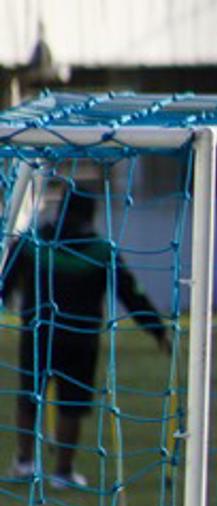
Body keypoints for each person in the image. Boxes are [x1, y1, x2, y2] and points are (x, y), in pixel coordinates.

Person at [6, 188, 171, 488]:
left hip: (38, 332)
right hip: (80, 339)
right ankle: (62, 472)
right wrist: (156, 329)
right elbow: (131, 294)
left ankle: (24, 462)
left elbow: (5, 284)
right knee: (72, 403)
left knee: (30, 395)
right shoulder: (100, 250)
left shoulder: (32, 243)